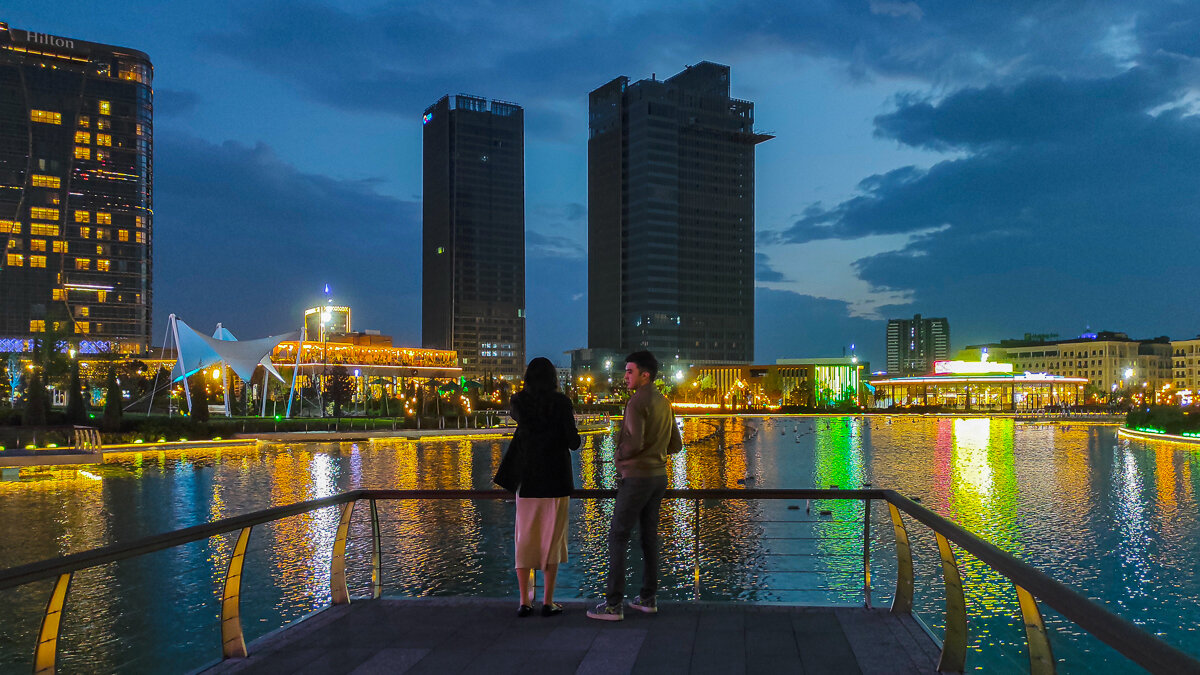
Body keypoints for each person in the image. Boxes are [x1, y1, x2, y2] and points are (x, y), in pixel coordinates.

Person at [588, 350, 683, 621]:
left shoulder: (636, 402)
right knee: (649, 537)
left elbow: (634, 443)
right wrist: (657, 449)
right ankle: (647, 597)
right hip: (658, 478)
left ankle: (613, 605)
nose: (625, 376)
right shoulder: (665, 403)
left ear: (645, 375)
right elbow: (676, 445)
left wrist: (617, 455)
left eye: (630, 371)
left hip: (636, 478)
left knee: (618, 536)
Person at [496, 357, 581, 617]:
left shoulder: (519, 402)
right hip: (555, 481)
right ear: (554, 378)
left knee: (525, 539)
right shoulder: (562, 403)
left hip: (527, 480)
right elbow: (573, 442)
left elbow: (521, 422)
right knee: (552, 541)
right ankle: (548, 601)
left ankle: (524, 601)